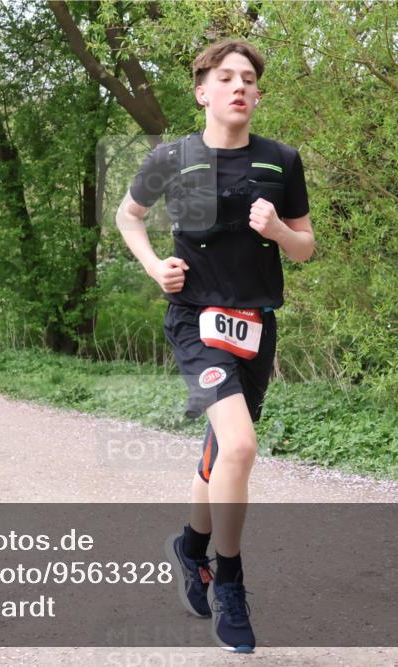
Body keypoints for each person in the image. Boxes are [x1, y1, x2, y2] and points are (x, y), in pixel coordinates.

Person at [116, 39, 315, 653]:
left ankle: (191, 546)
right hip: (195, 319)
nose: (240, 87)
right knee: (242, 446)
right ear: (202, 91)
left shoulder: (282, 160)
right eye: (226, 77)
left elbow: (306, 246)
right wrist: (155, 267)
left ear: (256, 94)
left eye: (249, 79)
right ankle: (229, 577)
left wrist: (278, 229)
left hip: (256, 322)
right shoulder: (172, 157)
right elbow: (129, 215)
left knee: (222, 455)